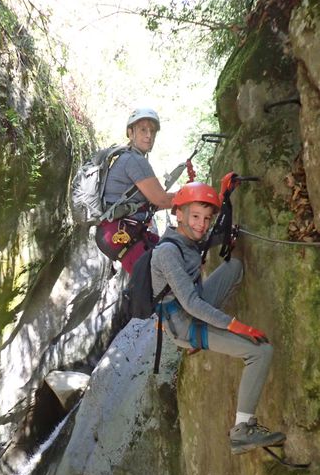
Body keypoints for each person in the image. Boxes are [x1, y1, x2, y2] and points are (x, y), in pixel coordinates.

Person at [150, 181, 286, 454]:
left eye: (206, 218)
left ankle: (214, 335)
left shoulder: (189, 239)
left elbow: (214, 230)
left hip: (194, 305)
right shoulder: (167, 252)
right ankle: (242, 430)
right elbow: (191, 304)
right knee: (261, 352)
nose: (202, 225)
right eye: (195, 217)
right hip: (186, 325)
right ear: (179, 214)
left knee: (234, 267)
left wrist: (223, 196)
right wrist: (237, 326)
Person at [96, 108, 174, 274]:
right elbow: (161, 199)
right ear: (130, 133)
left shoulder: (127, 157)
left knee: (167, 260)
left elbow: (153, 204)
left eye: (152, 131)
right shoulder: (135, 160)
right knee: (162, 282)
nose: (149, 135)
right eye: (143, 130)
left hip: (117, 235)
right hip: (122, 235)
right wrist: (197, 199)